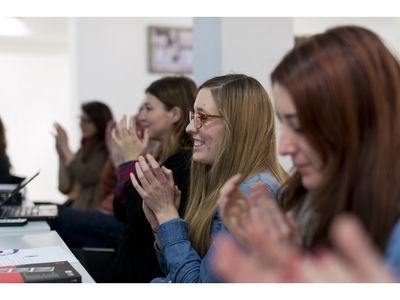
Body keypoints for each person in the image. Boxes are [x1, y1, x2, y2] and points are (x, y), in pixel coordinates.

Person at [213, 25, 400, 282]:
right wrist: (279, 254)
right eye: (283, 123)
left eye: (300, 126)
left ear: (360, 121)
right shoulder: (309, 204)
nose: (284, 147)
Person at [131, 74, 289, 283]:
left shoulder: (251, 196)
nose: (190, 128)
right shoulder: (226, 183)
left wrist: (167, 215)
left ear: (237, 126)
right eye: (193, 116)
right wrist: (160, 227)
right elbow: (175, 273)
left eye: (202, 118)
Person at [78, 76, 197, 283]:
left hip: (140, 271)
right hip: (126, 258)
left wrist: (130, 163)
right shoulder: (160, 156)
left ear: (175, 114)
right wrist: (122, 163)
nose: (140, 116)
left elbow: (139, 227)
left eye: (148, 109)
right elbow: (120, 211)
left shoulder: (181, 162)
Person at [53, 101, 113, 212]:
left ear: (99, 122)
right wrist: (61, 156)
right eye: (81, 119)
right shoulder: (83, 149)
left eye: (88, 121)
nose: (82, 124)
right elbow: (64, 188)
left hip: (88, 210)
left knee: (49, 214)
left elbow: (86, 176)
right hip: (73, 205)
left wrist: (65, 147)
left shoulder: (104, 150)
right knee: (42, 209)